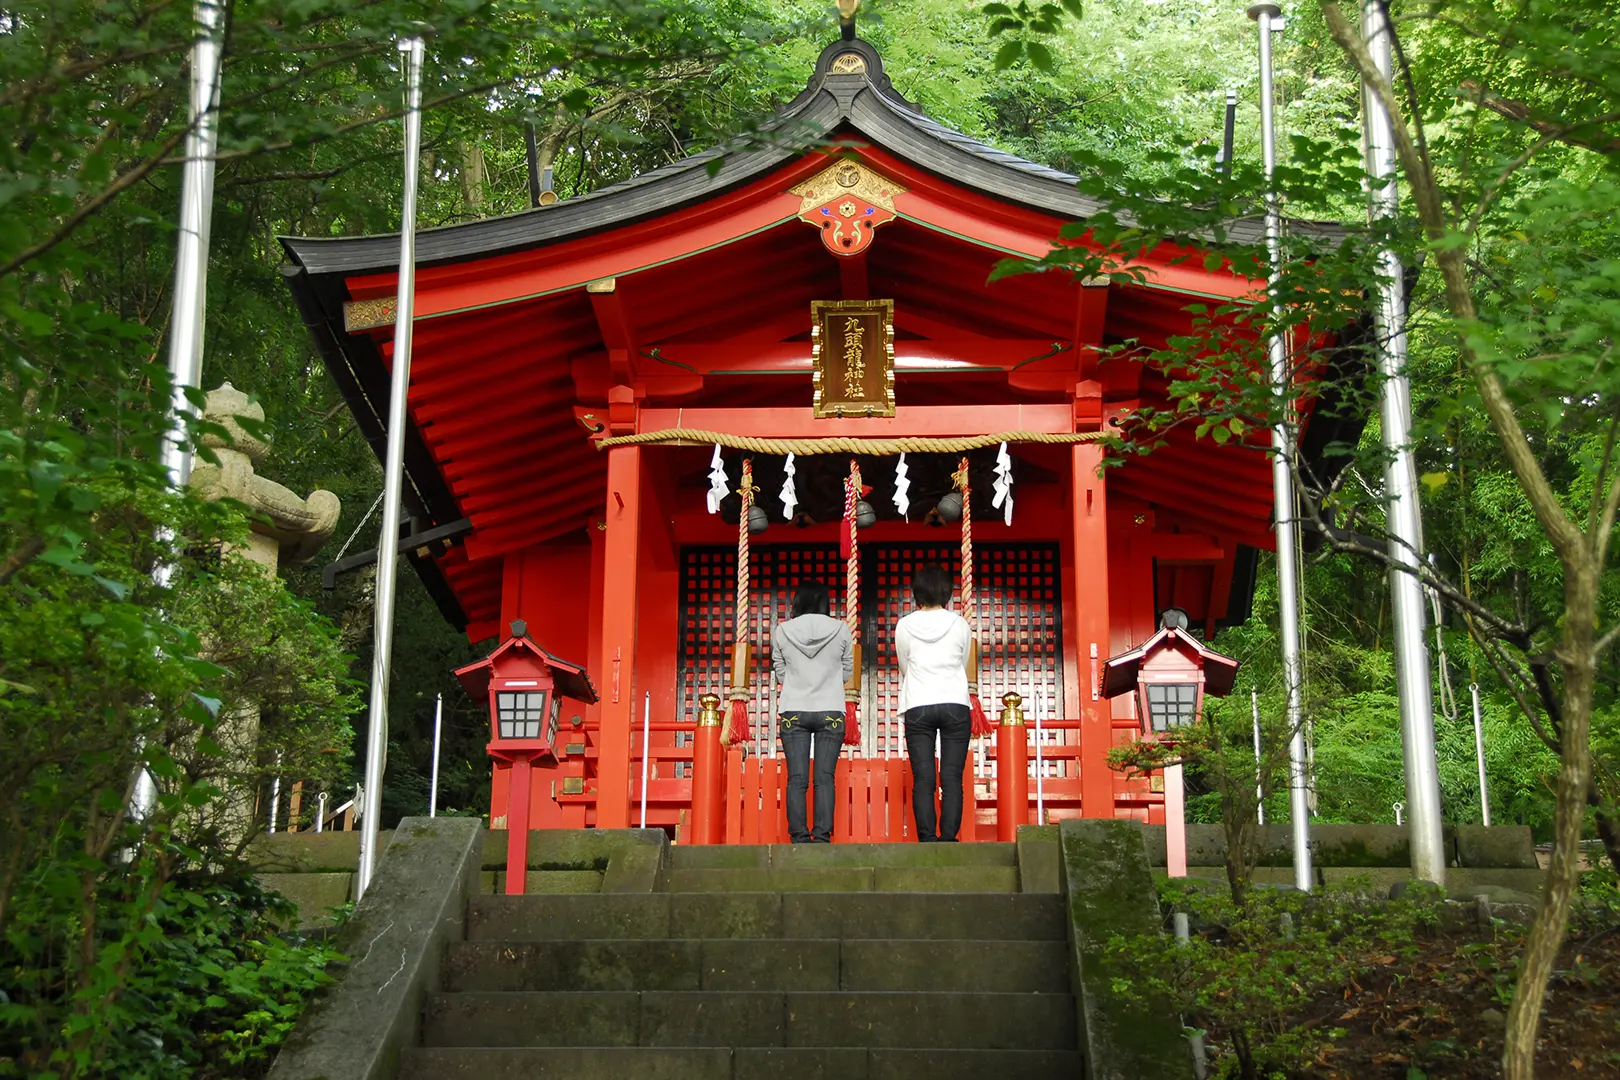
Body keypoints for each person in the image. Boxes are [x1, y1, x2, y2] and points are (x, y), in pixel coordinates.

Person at [771, 581, 854, 843]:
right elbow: (848, 671)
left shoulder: (783, 630)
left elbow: (780, 671)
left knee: (796, 777)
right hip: (829, 708)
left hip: (794, 708)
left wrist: (799, 680)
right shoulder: (840, 629)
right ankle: (821, 836)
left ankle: (798, 836)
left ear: (797, 602)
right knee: (824, 778)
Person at [895, 563, 972, 842]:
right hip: (954, 701)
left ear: (917, 593)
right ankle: (949, 836)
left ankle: (927, 838)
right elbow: (963, 662)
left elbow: (904, 665)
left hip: (918, 702)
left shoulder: (904, 625)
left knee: (924, 778)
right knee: (952, 777)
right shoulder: (960, 623)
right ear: (947, 592)